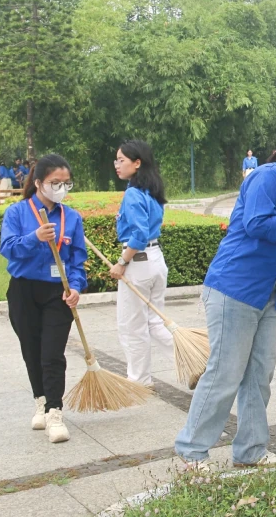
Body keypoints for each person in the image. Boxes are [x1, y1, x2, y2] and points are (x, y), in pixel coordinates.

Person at [175, 131, 276, 470]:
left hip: (266, 296)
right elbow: (258, 225)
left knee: (258, 376)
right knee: (224, 374)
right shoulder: (266, 177)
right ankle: (192, 451)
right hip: (234, 289)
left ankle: (250, 451)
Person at [0, 154, 87, 444]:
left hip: (57, 292)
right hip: (24, 290)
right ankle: (41, 400)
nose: (61, 187)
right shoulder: (17, 212)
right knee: (31, 350)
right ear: (38, 183)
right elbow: (8, 249)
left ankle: (55, 412)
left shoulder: (71, 217)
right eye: (55, 182)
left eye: (66, 183)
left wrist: (75, 287)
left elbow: (77, 259)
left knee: (52, 354)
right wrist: (34, 237)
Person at [109, 140, 174, 392]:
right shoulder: (151, 192)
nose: (117, 165)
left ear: (137, 163)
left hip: (138, 262)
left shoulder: (133, 194)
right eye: (116, 160)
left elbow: (138, 234)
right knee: (155, 321)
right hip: (156, 261)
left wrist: (121, 261)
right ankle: (192, 359)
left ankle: (138, 381)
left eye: (121, 160)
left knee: (131, 325)